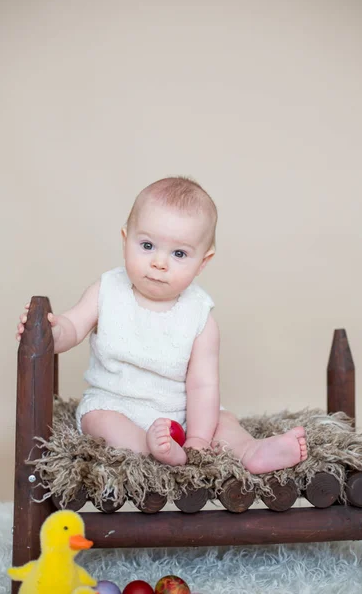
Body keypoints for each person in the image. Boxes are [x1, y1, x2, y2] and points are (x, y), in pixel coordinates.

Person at [16, 177, 307, 473]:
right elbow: (73, 327)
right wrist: (51, 332)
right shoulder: (107, 290)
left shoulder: (200, 316)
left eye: (178, 253)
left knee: (223, 423)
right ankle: (150, 448)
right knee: (98, 421)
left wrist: (197, 438)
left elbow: (203, 385)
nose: (159, 262)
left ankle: (251, 451)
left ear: (202, 262)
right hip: (116, 403)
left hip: (179, 412)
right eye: (147, 245)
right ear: (125, 239)